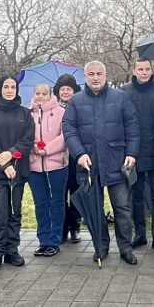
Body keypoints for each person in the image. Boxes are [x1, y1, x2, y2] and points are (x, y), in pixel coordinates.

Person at [63, 61, 140, 265]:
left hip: (117, 162)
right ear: (85, 76)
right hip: (89, 165)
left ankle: (126, 248)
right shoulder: (75, 101)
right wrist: (79, 154)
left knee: (122, 208)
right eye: (91, 74)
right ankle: (101, 246)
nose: (95, 77)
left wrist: (132, 152)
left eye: (99, 73)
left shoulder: (121, 97)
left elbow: (132, 127)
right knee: (94, 210)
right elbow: (69, 130)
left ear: (105, 75)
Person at [0, 76, 34, 272]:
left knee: (14, 212)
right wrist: (4, 164)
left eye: (13, 87)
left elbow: (27, 141)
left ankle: (12, 250)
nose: (9, 90)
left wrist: (12, 154)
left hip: (17, 173)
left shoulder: (24, 114)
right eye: (6, 86)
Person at [122, 58, 154, 255]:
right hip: (134, 153)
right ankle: (140, 234)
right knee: (136, 196)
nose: (143, 72)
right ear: (134, 70)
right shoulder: (124, 92)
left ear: (152, 71)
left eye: (147, 69)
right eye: (140, 69)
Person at [28, 84, 68, 257]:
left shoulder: (61, 112)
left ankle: (54, 240)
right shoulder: (28, 113)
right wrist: (34, 146)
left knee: (56, 202)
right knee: (40, 203)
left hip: (56, 164)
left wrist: (48, 149)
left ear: (51, 95)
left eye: (44, 93)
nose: (40, 96)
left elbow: (65, 135)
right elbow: (24, 135)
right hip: (34, 165)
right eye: (37, 93)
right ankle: (43, 240)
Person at [54, 73, 83, 244]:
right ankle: (62, 227)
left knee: (76, 192)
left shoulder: (79, 105)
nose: (65, 92)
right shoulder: (52, 108)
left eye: (69, 89)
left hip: (75, 155)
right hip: (57, 156)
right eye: (63, 89)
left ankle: (75, 226)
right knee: (60, 193)